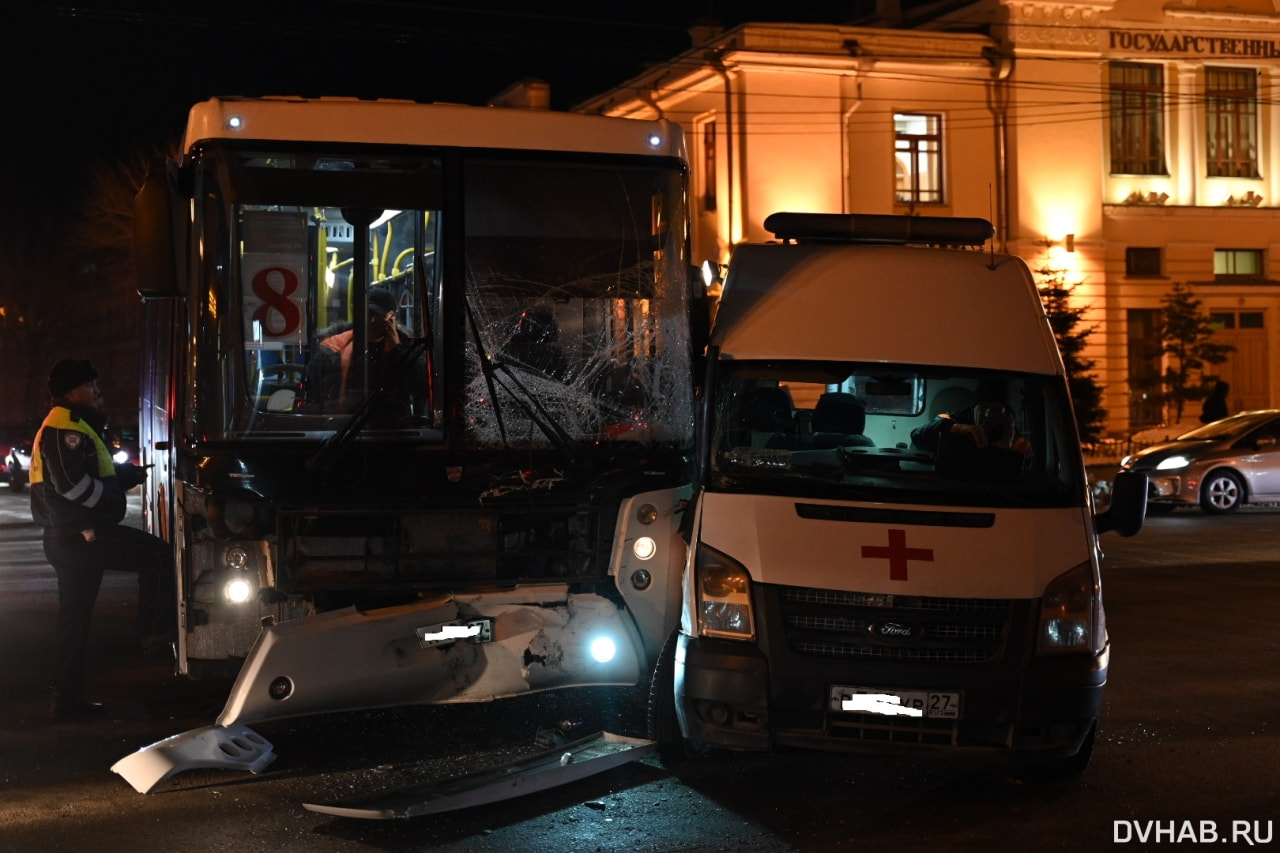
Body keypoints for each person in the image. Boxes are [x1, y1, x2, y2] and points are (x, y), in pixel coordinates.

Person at [30, 359, 176, 721]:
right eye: (90, 386)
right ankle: (153, 633)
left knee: (74, 623)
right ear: (70, 392)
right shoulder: (66, 427)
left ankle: (66, 701)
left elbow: (88, 474)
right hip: (82, 536)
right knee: (156, 556)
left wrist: (124, 476)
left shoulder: (69, 424)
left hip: (68, 537)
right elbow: (71, 485)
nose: (98, 393)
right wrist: (111, 500)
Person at [304, 285, 428, 425]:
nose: (372, 320)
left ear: (392, 318)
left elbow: (422, 388)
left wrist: (396, 349)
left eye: (378, 315)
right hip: (346, 426)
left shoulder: (406, 348)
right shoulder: (336, 347)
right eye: (368, 313)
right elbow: (314, 391)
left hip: (392, 428)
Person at [911, 379, 1031, 478]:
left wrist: (1007, 440)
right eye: (984, 407)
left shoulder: (1018, 442)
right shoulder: (950, 421)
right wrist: (960, 429)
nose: (988, 414)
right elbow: (917, 435)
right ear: (974, 408)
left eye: (996, 409)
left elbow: (1019, 478)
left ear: (1005, 414)